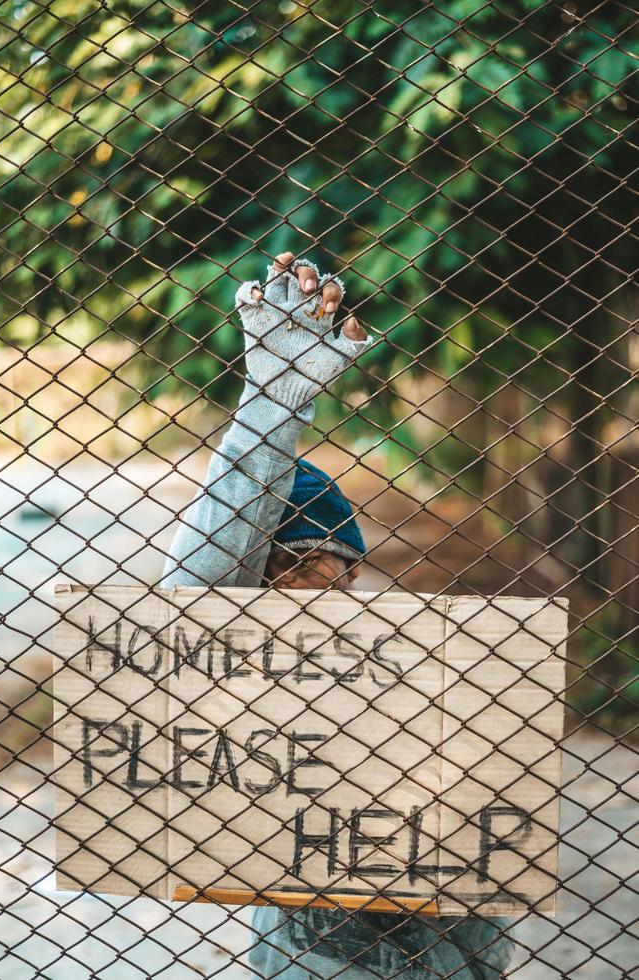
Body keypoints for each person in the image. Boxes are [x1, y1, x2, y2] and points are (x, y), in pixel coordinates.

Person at [162, 251, 513, 978]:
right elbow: (196, 586)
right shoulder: (230, 655)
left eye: (326, 564)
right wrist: (273, 402)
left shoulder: (409, 659)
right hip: (308, 952)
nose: (307, 584)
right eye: (282, 565)